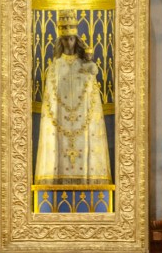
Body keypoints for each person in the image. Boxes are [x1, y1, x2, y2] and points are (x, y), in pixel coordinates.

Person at [34, 11, 112, 188]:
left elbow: (92, 96)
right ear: (60, 41)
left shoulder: (85, 66)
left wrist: (89, 68)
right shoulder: (54, 68)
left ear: (76, 40)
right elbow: (49, 101)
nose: (68, 43)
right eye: (65, 39)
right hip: (60, 122)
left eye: (71, 39)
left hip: (83, 122)